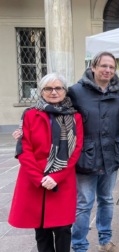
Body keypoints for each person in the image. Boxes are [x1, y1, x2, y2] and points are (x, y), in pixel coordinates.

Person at [8, 73, 83, 252]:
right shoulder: (30, 115)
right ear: (41, 92)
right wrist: (39, 178)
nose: (54, 92)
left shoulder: (75, 117)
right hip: (35, 180)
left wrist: (56, 177)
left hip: (61, 179)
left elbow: (75, 149)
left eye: (58, 88)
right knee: (41, 230)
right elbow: (24, 149)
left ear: (65, 91)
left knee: (64, 229)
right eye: (48, 88)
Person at [68, 51, 119, 252]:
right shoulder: (76, 92)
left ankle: (105, 240)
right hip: (86, 156)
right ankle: (79, 245)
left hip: (111, 155)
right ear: (93, 67)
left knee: (107, 199)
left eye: (111, 67)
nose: (108, 70)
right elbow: (59, 115)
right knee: (84, 203)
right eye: (103, 66)